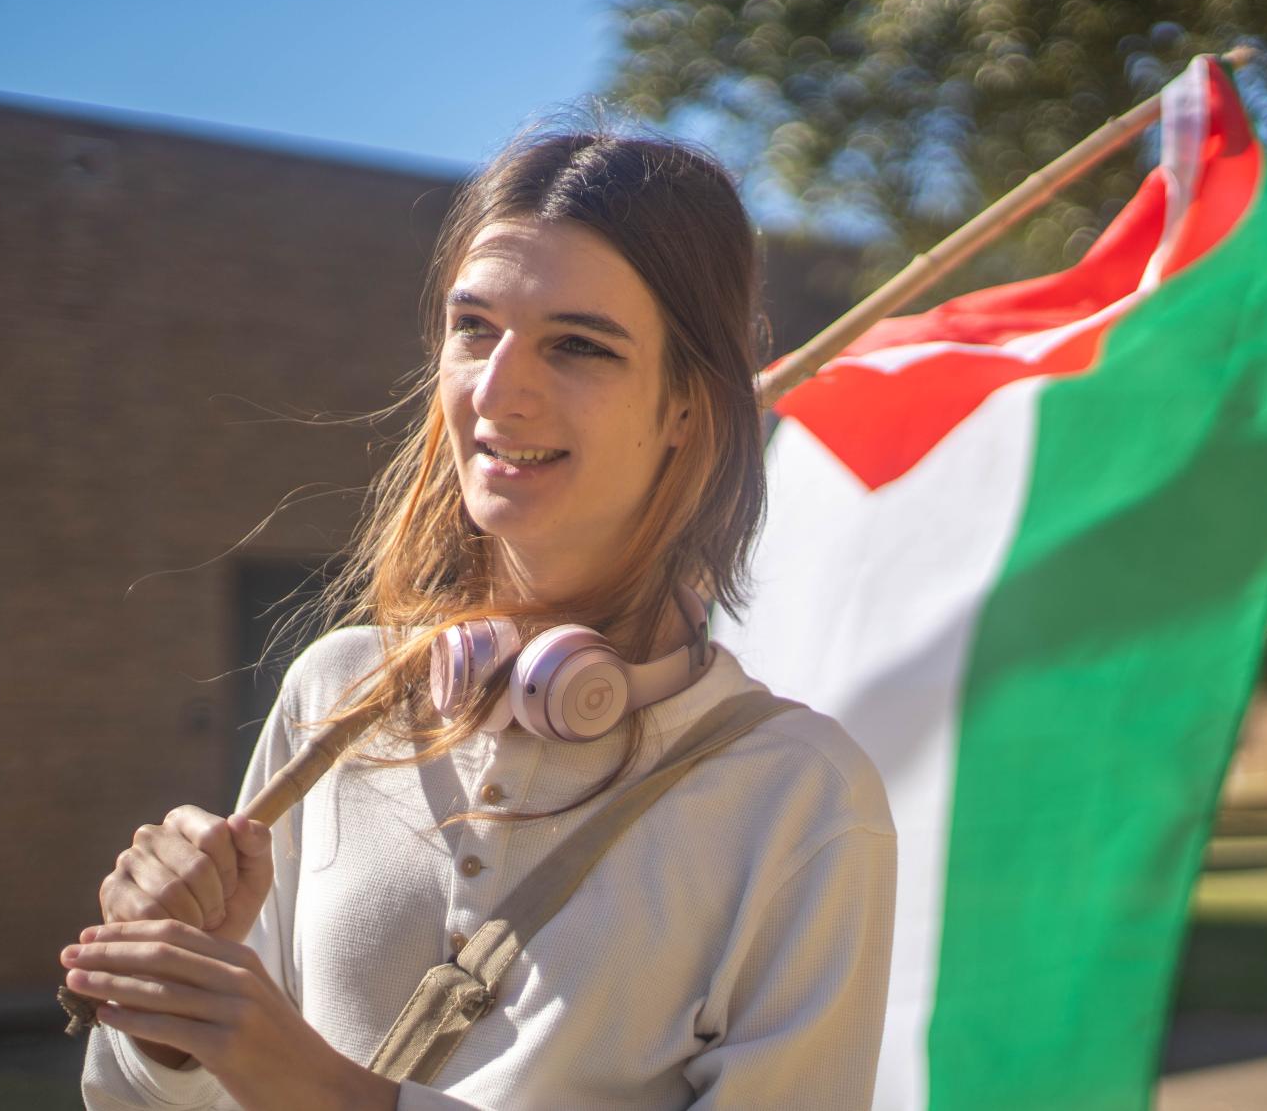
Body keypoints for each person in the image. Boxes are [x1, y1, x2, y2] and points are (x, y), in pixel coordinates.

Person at [64, 120, 898, 1110]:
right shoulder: (339, 691)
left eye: (579, 345)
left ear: (686, 404)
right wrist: (170, 1027)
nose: (499, 391)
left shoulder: (802, 796)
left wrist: (330, 1091)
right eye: (473, 327)